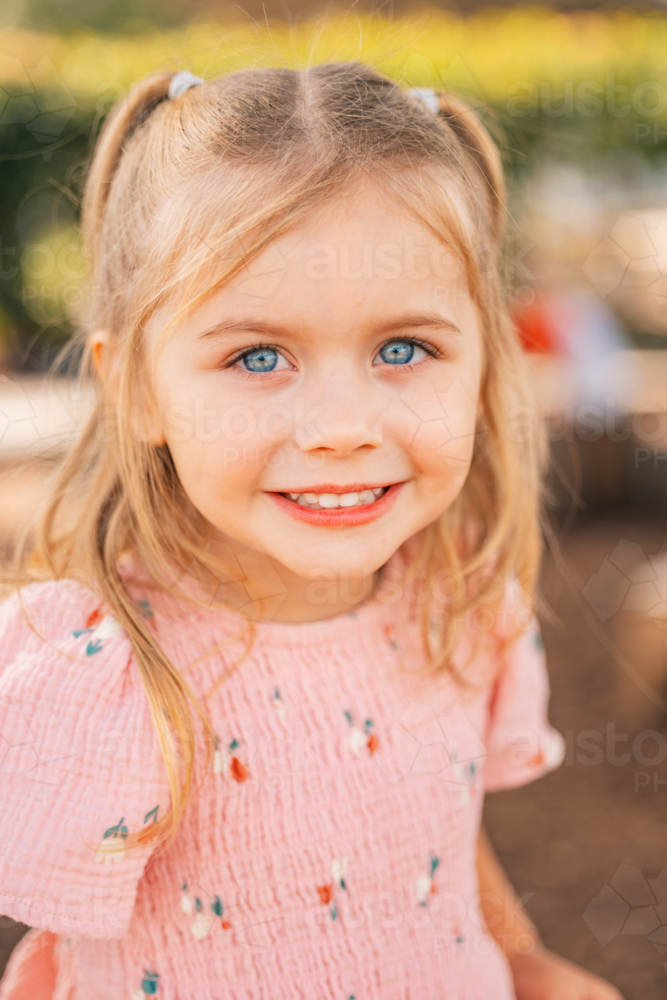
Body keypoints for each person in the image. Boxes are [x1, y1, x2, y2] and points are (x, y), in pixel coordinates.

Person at [0, 64, 623, 1000]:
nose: (343, 425)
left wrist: (527, 967)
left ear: (485, 362)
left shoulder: (454, 604)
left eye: (402, 349)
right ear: (136, 387)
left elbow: (443, 844)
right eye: (258, 355)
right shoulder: (106, 669)